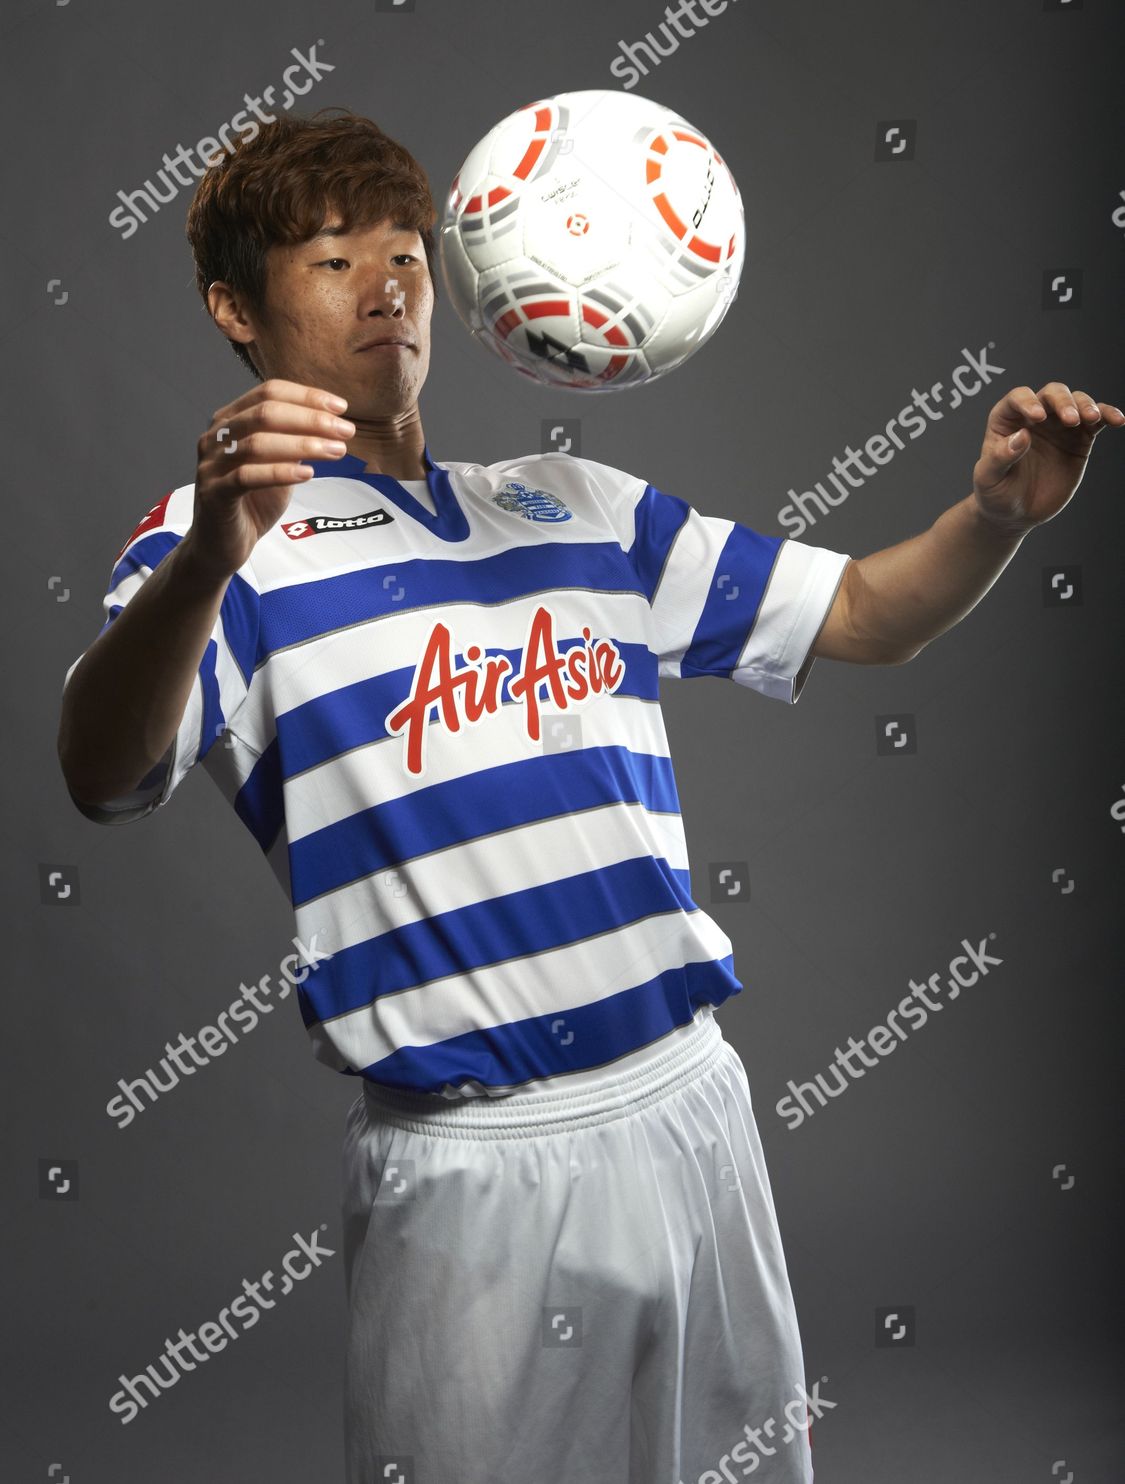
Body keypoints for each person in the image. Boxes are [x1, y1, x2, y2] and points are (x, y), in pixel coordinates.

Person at [56, 107, 1121, 1484]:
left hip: (690, 1109)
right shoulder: (221, 554)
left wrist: (991, 518)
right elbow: (104, 775)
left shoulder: (577, 504)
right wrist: (206, 557)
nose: (384, 284)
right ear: (233, 309)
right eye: (331, 260)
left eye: (404, 251)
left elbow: (860, 611)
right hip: (471, 1170)